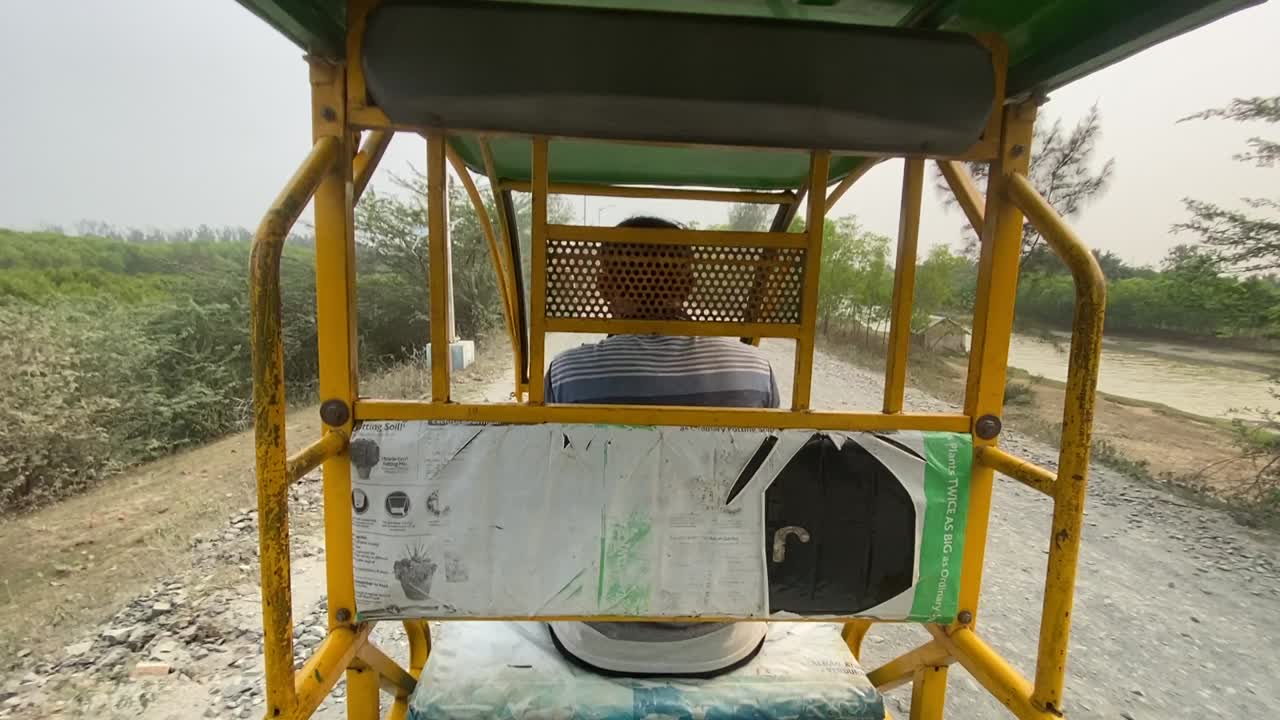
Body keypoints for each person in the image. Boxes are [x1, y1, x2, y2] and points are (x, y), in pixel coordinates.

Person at [545, 216, 780, 677]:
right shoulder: (755, 370)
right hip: (725, 632)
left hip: (596, 636)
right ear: (691, 284)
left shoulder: (570, 375)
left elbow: (555, 488)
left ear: (605, 285)